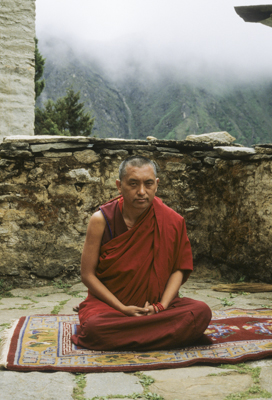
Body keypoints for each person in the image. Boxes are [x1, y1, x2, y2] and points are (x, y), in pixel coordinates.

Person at [71, 156, 211, 351]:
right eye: (133, 184)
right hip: (112, 306)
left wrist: (161, 306)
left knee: (201, 312)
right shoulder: (102, 220)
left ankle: (130, 335)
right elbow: (87, 275)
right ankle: (164, 335)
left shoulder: (172, 220)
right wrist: (122, 308)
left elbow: (179, 268)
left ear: (157, 185)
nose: (142, 192)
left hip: (157, 308)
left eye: (148, 184)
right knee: (95, 328)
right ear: (119, 186)